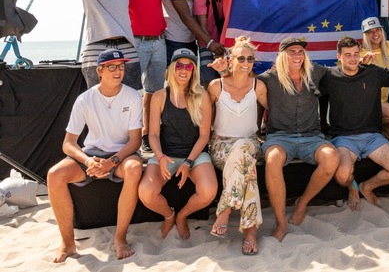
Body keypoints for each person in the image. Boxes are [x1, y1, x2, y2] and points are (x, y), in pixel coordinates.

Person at [45, 49, 143, 263]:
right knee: (54, 175)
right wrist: (89, 161)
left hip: (121, 156)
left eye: (121, 66)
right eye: (112, 67)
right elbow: (68, 144)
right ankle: (68, 243)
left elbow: (135, 141)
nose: (118, 71)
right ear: (99, 71)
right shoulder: (85, 99)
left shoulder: (133, 96)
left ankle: (120, 239)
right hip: (91, 156)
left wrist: (113, 161)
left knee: (135, 169)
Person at [257, 37, 339, 241]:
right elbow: (242, 85)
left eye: (300, 51)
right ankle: (281, 223)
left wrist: (363, 61)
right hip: (280, 136)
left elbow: (340, 72)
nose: (297, 55)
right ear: (282, 55)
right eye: (292, 51)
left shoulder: (315, 72)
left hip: (311, 136)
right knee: (273, 159)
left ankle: (302, 203)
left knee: (331, 158)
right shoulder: (269, 78)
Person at [138, 49, 217, 240]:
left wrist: (188, 162)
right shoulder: (159, 96)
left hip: (195, 155)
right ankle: (169, 215)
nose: (184, 70)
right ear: (172, 68)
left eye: (189, 66)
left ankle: (182, 216)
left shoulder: (202, 96)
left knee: (208, 192)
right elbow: (153, 134)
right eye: (179, 65)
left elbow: (204, 136)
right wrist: (161, 157)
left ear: (193, 71)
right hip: (166, 155)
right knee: (146, 193)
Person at [325, 37, 389, 211]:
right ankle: (352, 186)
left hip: (372, 136)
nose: (353, 58)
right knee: (342, 175)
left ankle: (367, 187)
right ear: (339, 56)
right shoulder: (330, 76)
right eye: (348, 55)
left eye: (356, 54)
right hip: (344, 138)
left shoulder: (372, 72)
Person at [206, 37, 267, 255]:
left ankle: (225, 210)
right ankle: (250, 232)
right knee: (248, 170)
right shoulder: (216, 86)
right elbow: (203, 119)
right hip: (221, 145)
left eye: (250, 58)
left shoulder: (258, 86)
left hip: (249, 142)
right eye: (241, 57)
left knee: (243, 148)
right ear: (231, 60)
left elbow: (276, 112)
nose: (246, 62)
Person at [120, 0, 167, 152]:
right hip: (134, 42)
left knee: (155, 93)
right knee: (130, 93)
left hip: (159, 41)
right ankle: (128, 140)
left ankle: (148, 136)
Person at [360, 17, 389, 138]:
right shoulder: (361, 52)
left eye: (378, 30)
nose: (375, 34)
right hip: (368, 104)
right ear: (365, 35)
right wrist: (363, 62)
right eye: (371, 31)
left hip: (386, 102)